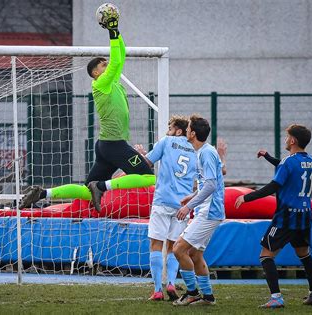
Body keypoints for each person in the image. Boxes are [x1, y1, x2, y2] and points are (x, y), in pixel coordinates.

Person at [20, 14, 154, 212]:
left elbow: (120, 56)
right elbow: (116, 62)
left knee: (86, 190)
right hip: (114, 144)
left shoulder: (110, 82)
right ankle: (101, 186)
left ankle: (42, 193)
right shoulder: (101, 84)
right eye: (103, 65)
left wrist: (117, 34)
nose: (108, 65)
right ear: (96, 73)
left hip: (105, 145)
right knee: (148, 176)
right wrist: (112, 30)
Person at [235, 124, 312, 308]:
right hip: (305, 215)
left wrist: (247, 197)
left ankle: (276, 297)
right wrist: (268, 157)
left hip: (287, 216)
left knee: (265, 255)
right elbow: (285, 166)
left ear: (292, 140)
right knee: (304, 254)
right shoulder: (308, 160)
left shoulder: (288, 162)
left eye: (287, 137)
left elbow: (274, 186)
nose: (285, 140)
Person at [134, 115, 196, 301]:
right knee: (172, 247)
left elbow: (147, 163)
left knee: (155, 244)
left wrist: (139, 153)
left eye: (170, 127)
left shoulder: (167, 141)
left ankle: (157, 290)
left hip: (162, 201)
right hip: (182, 205)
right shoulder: (195, 149)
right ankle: (170, 282)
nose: (167, 130)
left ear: (177, 130)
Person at [172, 114, 225, 306]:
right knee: (195, 254)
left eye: (188, 129)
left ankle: (192, 292)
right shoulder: (205, 151)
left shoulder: (206, 153)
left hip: (209, 211)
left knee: (178, 249)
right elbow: (210, 184)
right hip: (209, 209)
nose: (186, 130)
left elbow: (211, 186)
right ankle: (208, 297)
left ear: (193, 133)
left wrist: (188, 206)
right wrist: (193, 196)